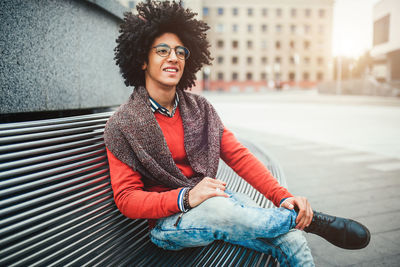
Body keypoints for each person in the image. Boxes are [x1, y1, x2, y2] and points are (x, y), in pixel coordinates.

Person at [104, 1, 370, 266]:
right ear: (141, 59)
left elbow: (239, 156)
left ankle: (296, 221)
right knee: (222, 210)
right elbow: (127, 199)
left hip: (218, 204)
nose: (173, 57)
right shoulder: (124, 124)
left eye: (180, 51)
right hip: (170, 223)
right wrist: (185, 197)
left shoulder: (199, 108)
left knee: (292, 240)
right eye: (162, 50)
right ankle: (306, 219)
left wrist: (283, 197)